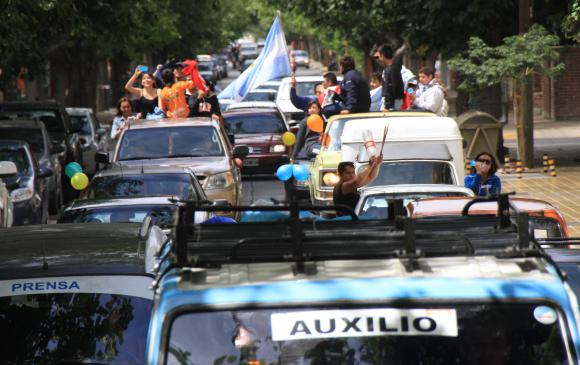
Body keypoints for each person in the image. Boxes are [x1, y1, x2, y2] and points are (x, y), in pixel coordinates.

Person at [373, 44, 404, 112]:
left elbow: (391, 87)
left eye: (379, 57)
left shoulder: (392, 70)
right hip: (390, 101)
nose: (379, 60)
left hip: (393, 103)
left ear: (383, 56)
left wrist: (387, 106)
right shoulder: (389, 69)